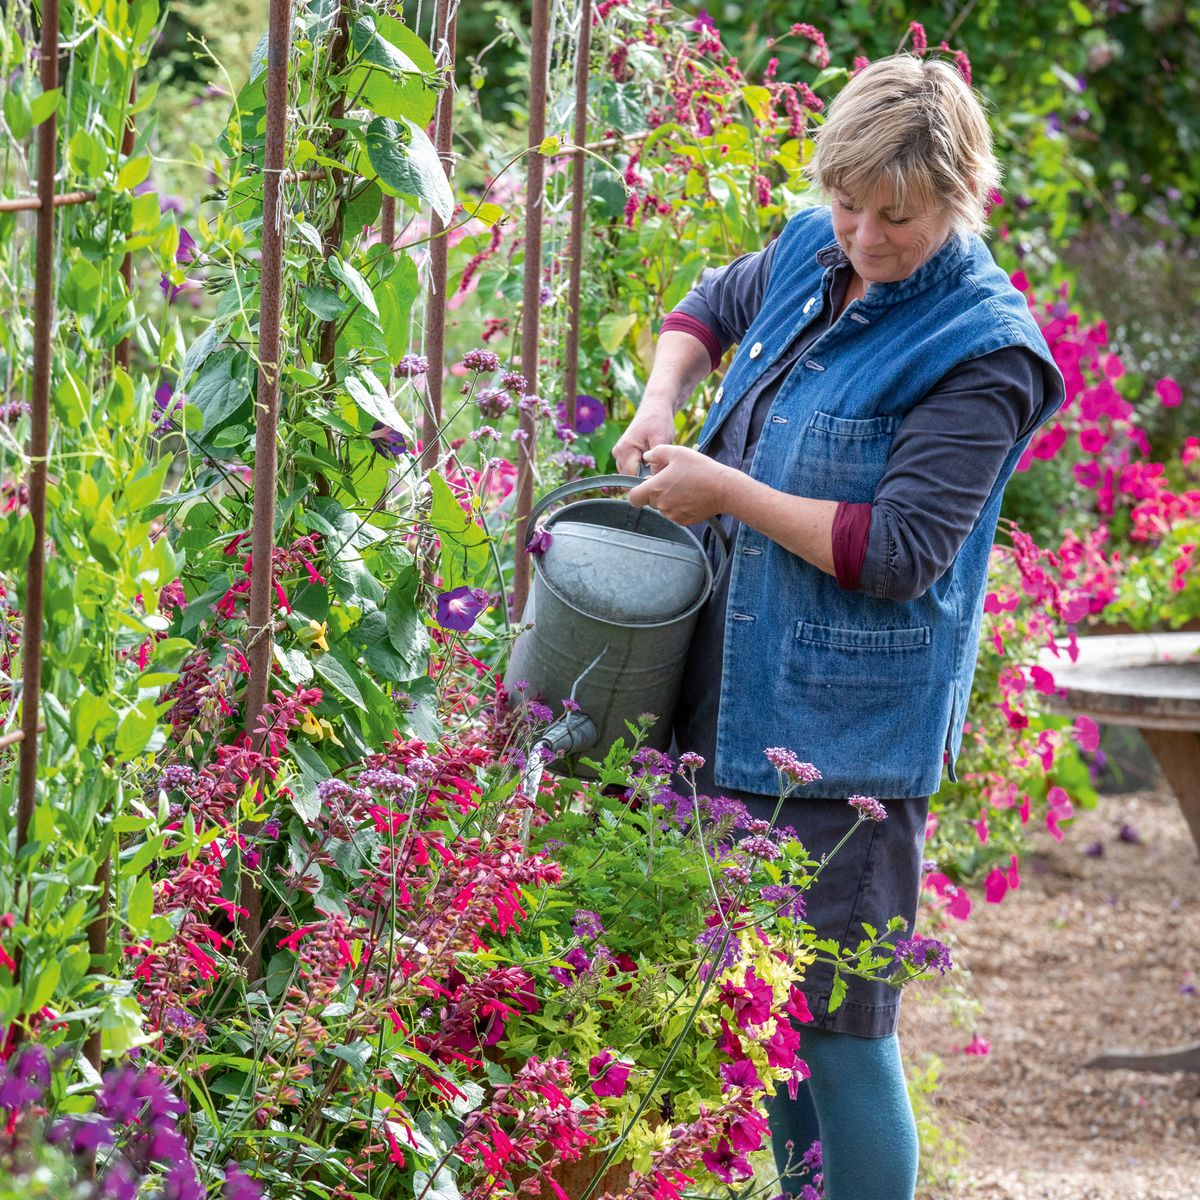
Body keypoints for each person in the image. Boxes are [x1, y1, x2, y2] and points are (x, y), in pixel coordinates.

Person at [613, 54, 1065, 1200]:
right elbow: (712, 304)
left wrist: (725, 491)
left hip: (842, 734)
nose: (863, 234)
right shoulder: (823, 247)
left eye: (896, 219)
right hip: (735, 684)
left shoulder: (983, 350)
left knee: (838, 1029)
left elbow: (900, 553)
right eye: (847, 203)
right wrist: (663, 393)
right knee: (764, 1013)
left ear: (960, 200)